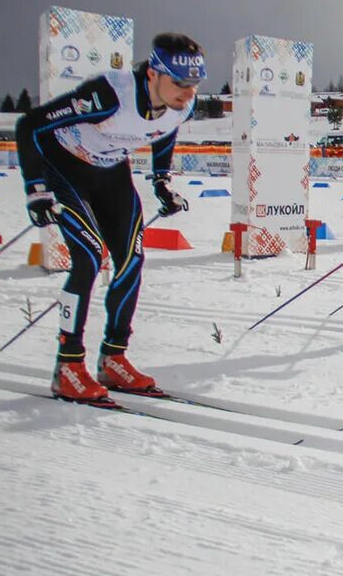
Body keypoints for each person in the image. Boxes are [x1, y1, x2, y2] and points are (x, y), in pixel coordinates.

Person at [15, 33, 204, 405]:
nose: (188, 92)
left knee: (131, 260)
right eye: (179, 83)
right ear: (153, 74)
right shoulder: (109, 94)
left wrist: (161, 181)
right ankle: (68, 365)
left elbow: (164, 132)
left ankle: (113, 358)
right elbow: (30, 126)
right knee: (86, 260)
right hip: (65, 172)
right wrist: (35, 189)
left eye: (194, 84)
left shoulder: (183, 105)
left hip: (111, 175)